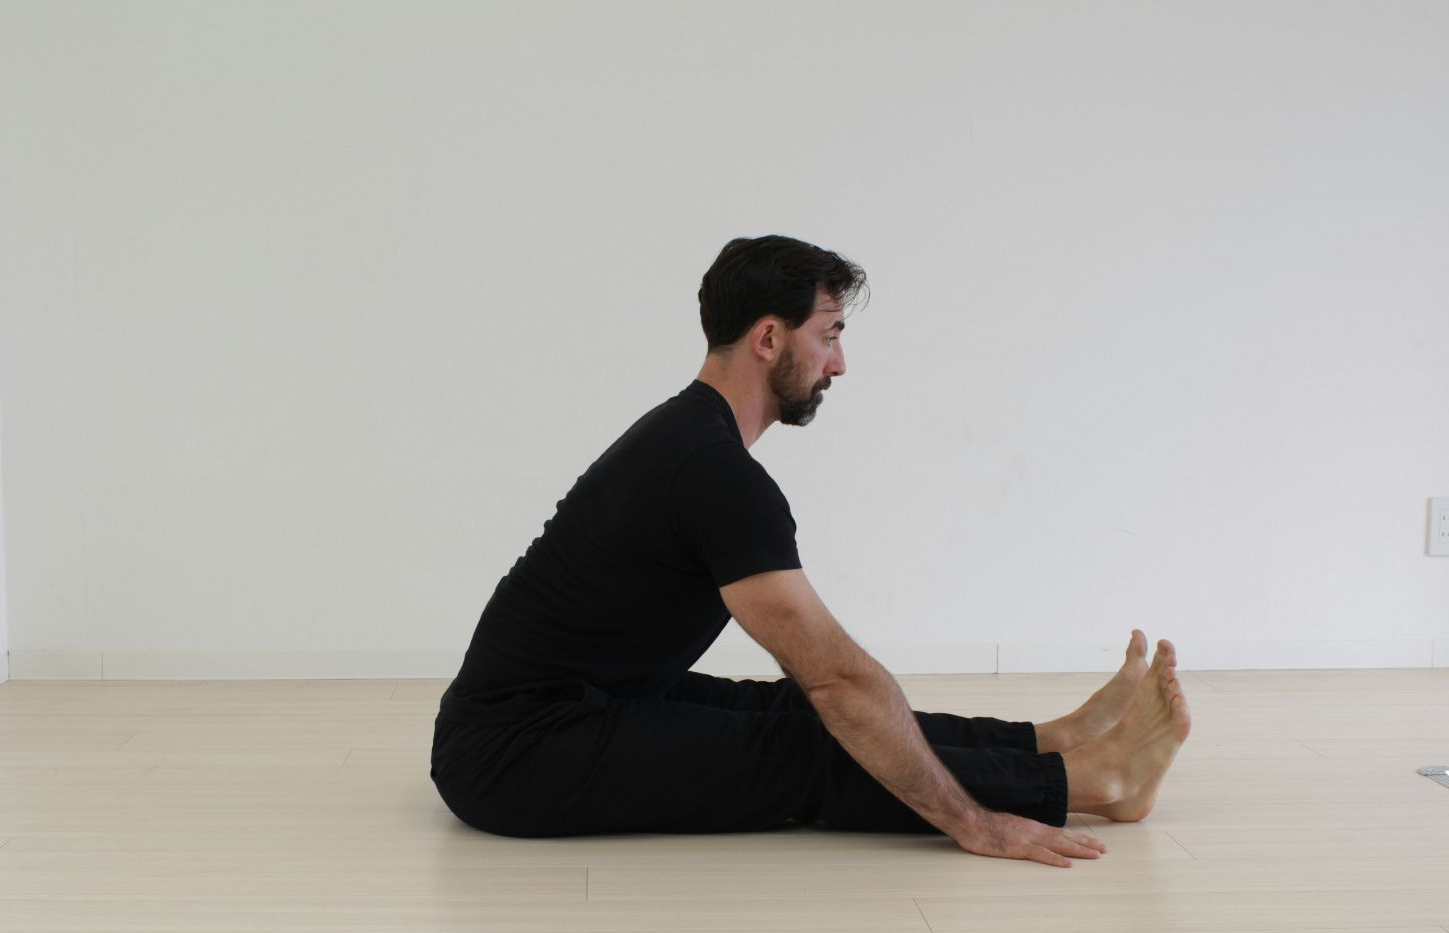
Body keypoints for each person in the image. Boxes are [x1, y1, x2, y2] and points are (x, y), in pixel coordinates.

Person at [430, 235, 1192, 867]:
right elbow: (839, 681)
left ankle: (1051, 743)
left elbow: (826, 688)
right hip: (515, 755)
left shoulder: (688, 436)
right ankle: (1093, 782)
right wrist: (976, 824)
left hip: (570, 709)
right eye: (828, 335)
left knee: (787, 709)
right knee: (806, 744)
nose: (838, 363)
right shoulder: (714, 475)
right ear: (769, 339)